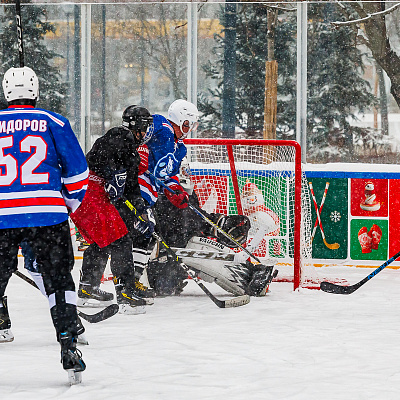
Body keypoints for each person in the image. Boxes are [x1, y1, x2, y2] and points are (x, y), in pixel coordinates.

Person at [0, 67, 88, 383]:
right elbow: (78, 173)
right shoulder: (54, 122)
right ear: (36, 91)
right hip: (47, 215)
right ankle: (68, 342)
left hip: (2, 217)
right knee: (58, 279)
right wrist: (69, 203)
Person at [70, 105, 155, 314]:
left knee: (103, 240)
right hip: (90, 192)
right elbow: (100, 157)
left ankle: (87, 289)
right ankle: (125, 293)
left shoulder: (131, 151)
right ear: (136, 126)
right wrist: (111, 174)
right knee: (121, 239)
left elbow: (131, 188)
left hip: (91, 196)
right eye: (145, 127)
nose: (147, 133)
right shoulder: (119, 136)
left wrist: (141, 211)